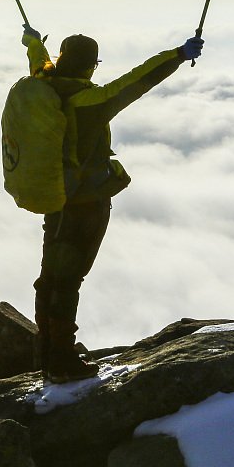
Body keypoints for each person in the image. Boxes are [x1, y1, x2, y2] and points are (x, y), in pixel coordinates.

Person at [21, 24, 205, 383]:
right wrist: (179, 56)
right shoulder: (90, 102)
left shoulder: (43, 85)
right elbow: (138, 81)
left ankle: (45, 352)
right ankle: (60, 360)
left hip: (55, 197)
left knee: (51, 277)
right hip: (84, 203)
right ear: (90, 66)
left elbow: (38, 61)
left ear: (61, 59)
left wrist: (31, 42)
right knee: (67, 279)